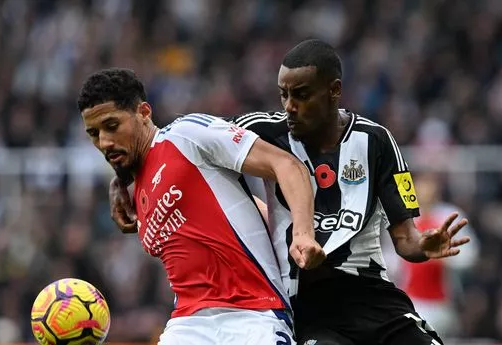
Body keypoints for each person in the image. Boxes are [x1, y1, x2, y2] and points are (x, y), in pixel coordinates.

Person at [108, 40, 471, 345]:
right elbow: (179, 143)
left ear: (334, 90)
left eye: (300, 95)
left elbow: (405, 240)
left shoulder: (376, 141)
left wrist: (423, 247)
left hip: (371, 295)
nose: (289, 106)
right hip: (306, 305)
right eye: (283, 94)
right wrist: (122, 178)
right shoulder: (264, 130)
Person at [77, 68, 325, 345]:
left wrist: (304, 233)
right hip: (187, 324)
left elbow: (286, 165)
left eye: (112, 126)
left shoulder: (186, 135)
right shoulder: (135, 193)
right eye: (93, 133)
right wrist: (121, 181)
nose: (104, 142)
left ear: (144, 112)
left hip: (252, 315)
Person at [393, 172, 479, 338]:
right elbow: (391, 260)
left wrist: (443, 258)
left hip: (442, 303)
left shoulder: (449, 216)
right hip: (409, 300)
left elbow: (470, 255)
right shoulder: (403, 219)